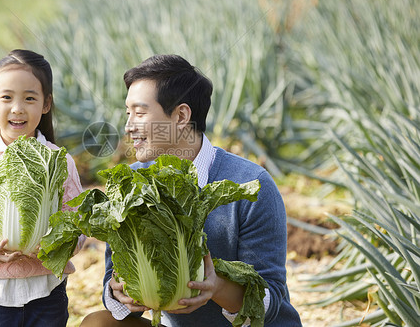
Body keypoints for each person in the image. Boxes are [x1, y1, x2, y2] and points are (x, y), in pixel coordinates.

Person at [81, 54, 302, 326]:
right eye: (128, 113)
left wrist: (217, 288)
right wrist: (120, 293)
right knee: (99, 323)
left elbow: (271, 299)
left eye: (139, 113)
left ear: (181, 116)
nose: (128, 127)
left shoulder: (251, 184)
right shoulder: (131, 184)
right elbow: (111, 279)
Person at [0, 49, 85, 327]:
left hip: (49, 292)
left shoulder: (59, 160)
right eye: (7, 97)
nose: (18, 108)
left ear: (46, 104)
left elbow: (78, 224)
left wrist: (55, 246)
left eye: (29, 98)